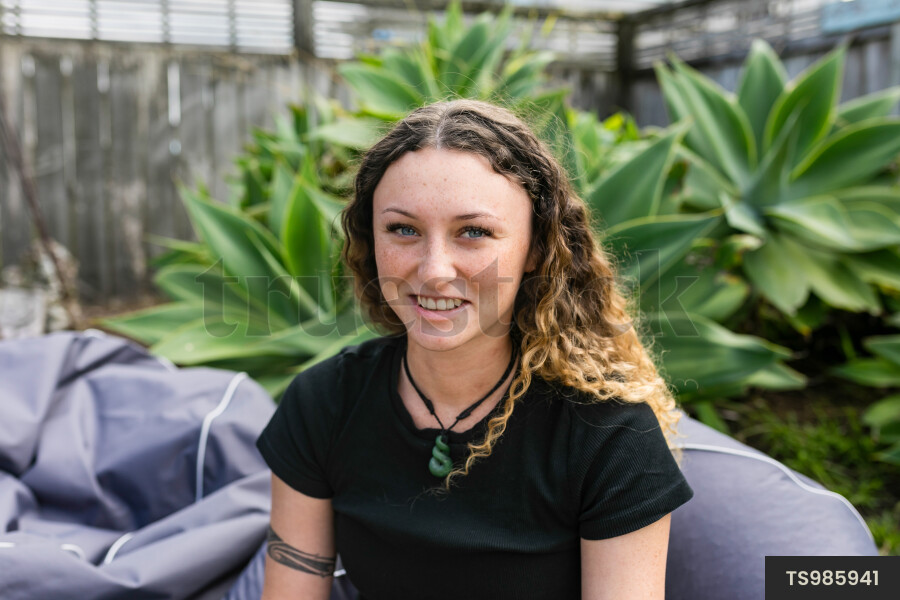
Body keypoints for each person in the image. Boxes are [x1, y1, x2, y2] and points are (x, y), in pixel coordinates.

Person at [256, 98, 694, 600]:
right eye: (403, 229)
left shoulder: (608, 435)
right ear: (370, 239)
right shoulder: (323, 402)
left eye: (474, 232)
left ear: (536, 249)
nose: (435, 269)